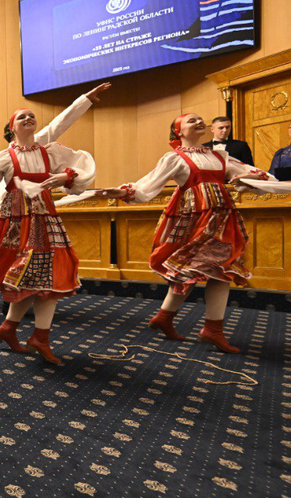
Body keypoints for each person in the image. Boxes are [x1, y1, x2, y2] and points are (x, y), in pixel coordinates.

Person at [0, 83, 110, 364]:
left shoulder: (46, 149)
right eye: (21, 117)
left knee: (46, 279)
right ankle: (29, 333)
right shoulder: (6, 157)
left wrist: (85, 100)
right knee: (35, 279)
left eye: (31, 116)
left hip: (45, 218)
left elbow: (62, 123)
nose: (28, 118)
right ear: (12, 128)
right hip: (18, 225)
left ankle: (21, 331)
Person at [98, 112, 272, 354]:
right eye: (191, 120)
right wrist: (123, 191)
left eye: (200, 119)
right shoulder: (175, 157)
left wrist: (251, 177)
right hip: (193, 221)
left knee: (218, 269)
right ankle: (200, 326)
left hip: (222, 218)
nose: (199, 121)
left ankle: (175, 319)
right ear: (178, 131)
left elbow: (253, 172)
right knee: (201, 270)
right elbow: (149, 184)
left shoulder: (220, 156)